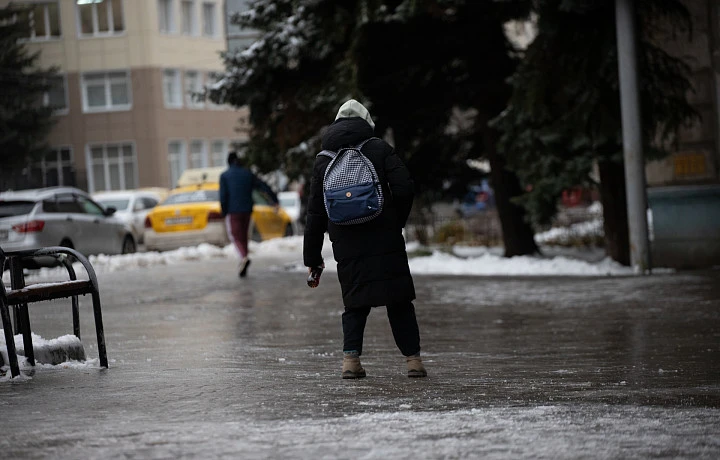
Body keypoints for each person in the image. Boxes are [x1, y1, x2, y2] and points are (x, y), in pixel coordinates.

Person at [303, 99, 427, 379]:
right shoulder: (378, 148)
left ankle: (351, 362)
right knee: (399, 300)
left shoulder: (323, 160)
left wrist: (312, 258)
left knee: (355, 303)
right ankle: (413, 361)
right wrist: (395, 221)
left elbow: (315, 213)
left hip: (346, 243)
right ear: (366, 122)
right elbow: (404, 188)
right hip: (385, 237)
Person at [220, 151, 278, 278]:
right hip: (247, 210)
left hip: (233, 211)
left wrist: (224, 212)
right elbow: (262, 186)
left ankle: (243, 257)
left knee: (235, 236)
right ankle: (244, 260)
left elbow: (223, 196)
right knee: (244, 236)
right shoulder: (247, 173)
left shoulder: (225, 176)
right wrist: (274, 200)